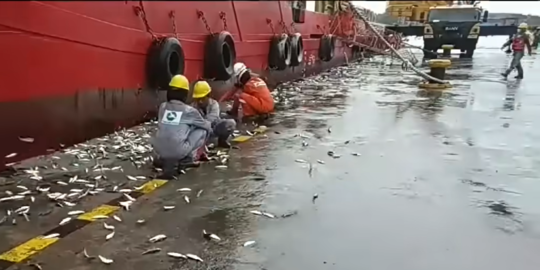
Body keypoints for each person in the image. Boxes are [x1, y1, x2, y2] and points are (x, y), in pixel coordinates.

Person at [151, 75, 212, 179]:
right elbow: (207, 126)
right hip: (177, 152)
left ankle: (163, 159)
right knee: (201, 130)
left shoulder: (163, 106)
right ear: (185, 94)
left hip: (159, 150)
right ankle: (186, 160)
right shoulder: (190, 111)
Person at [192, 80, 236, 148]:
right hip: (200, 132)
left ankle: (222, 141)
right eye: (198, 99)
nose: (200, 102)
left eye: (202, 98)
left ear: (208, 96)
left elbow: (210, 119)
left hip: (213, 129)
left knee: (231, 123)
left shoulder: (214, 104)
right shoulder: (192, 107)